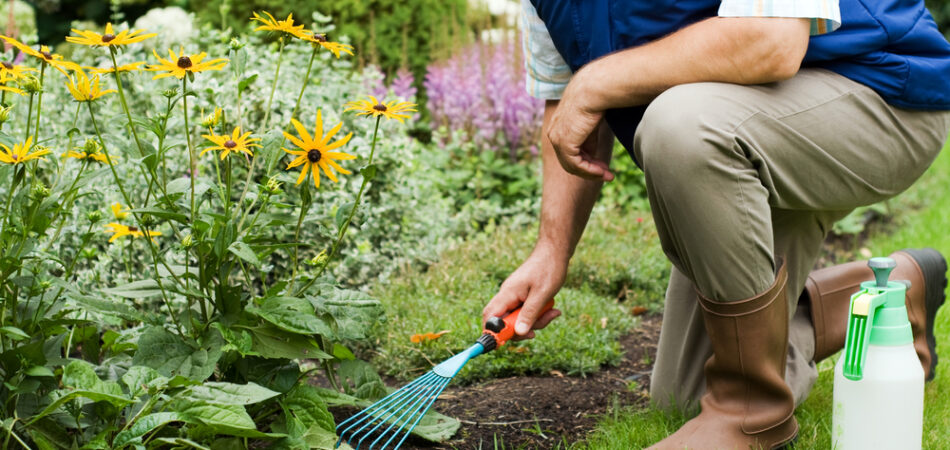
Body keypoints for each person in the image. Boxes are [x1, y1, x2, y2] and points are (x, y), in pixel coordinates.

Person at [480, 0, 950, 448]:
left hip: (879, 92)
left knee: (680, 124)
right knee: (687, 395)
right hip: (745, 123)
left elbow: (771, 40)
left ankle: (750, 411)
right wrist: (551, 250)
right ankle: (884, 301)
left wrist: (595, 82)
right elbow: (570, 105)